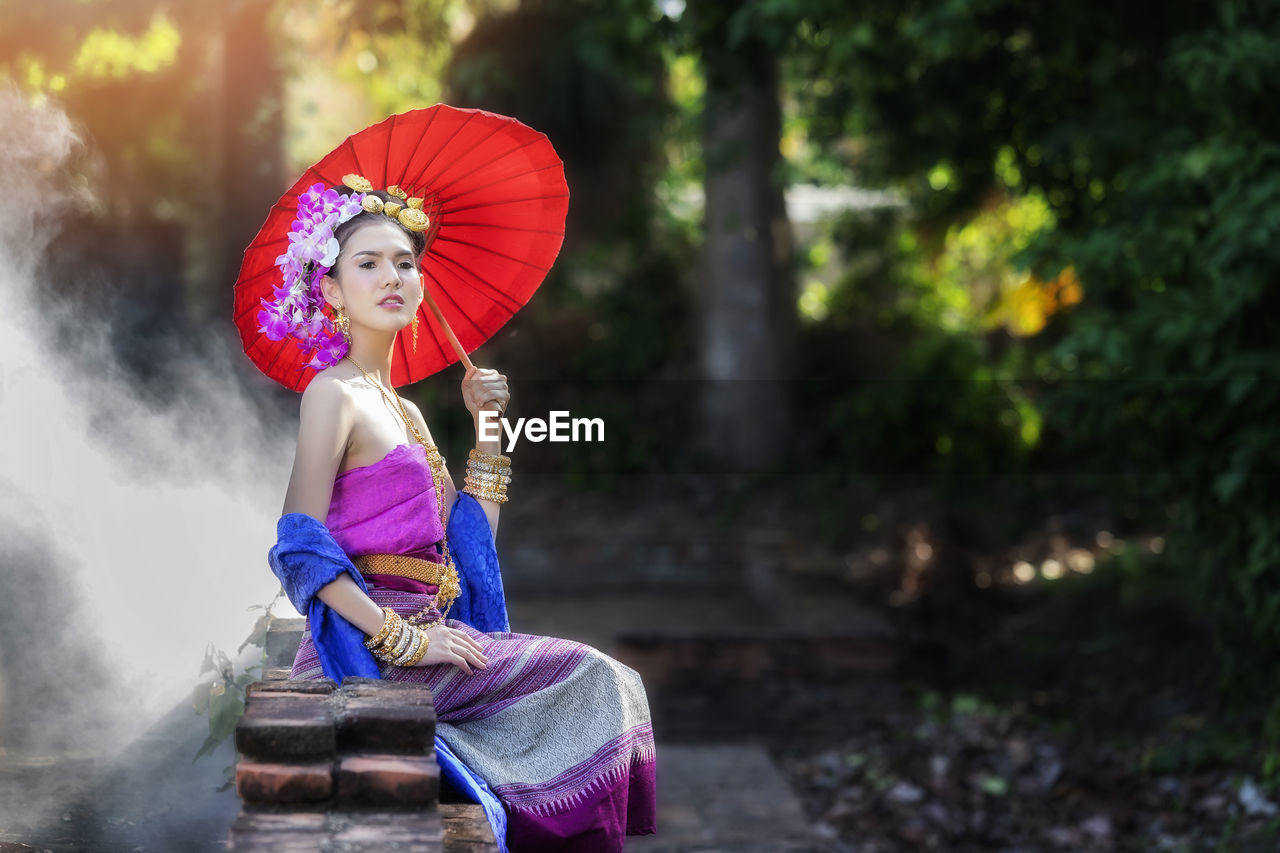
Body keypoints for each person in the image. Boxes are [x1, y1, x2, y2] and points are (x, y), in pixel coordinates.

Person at [263, 181, 657, 852]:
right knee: (596, 678)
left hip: (434, 638)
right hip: (368, 653)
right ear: (330, 291)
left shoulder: (407, 412)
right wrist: (402, 637)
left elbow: (469, 547)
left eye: (405, 262)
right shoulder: (332, 394)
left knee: (606, 684)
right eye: (368, 263)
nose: (393, 275)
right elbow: (299, 544)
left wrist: (490, 425)